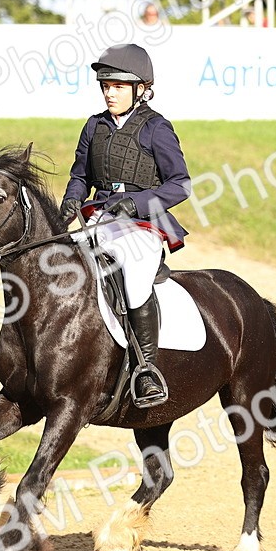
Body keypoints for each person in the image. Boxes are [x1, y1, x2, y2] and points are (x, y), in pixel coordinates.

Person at [60, 44, 191, 407]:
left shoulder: (156, 128)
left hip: (142, 225)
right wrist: (71, 201)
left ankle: (146, 369)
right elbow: (79, 175)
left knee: (133, 280)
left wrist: (136, 202)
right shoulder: (94, 126)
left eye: (117, 86)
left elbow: (180, 184)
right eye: (105, 85)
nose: (109, 92)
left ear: (140, 88)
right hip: (98, 219)